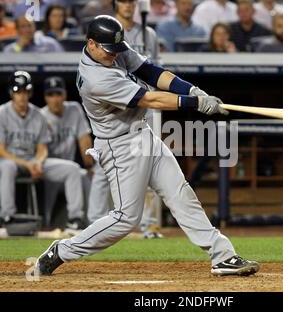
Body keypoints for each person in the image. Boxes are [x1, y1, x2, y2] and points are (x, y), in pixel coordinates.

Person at [35, 15, 260, 277]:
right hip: (120, 147)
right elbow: (150, 98)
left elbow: (150, 72)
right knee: (125, 219)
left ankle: (222, 256)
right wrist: (194, 104)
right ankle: (62, 251)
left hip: (143, 134)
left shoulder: (113, 48)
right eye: (108, 51)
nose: (113, 55)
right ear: (91, 44)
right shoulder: (95, 79)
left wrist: (192, 90)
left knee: (180, 193)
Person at [87, 0, 163, 238]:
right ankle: (93, 221)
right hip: (116, 102)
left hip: (144, 102)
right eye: (123, 0)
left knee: (151, 161)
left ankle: (149, 224)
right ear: (116, 4)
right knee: (105, 164)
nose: (128, 5)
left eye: (131, 0)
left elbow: (154, 69)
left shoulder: (147, 33)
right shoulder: (106, 30)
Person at [0, 71, 84, 232]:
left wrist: (38, 162)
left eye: (26, 91)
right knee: (7, 167)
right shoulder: (2, 113)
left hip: (33, 161)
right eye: (18, 91)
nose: (22, 96)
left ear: (30, 92)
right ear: (12, 92)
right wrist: (28, 164)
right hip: (11, 161)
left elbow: (42, 148)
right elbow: (1, 151)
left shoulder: (38, 115)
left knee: (72, 169)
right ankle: (7, 217)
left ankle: (75, 218)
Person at [41, 76, 94, 229]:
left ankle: (91, 223)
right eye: (51, 95)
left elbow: (84, 139)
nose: (55, 99)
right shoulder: (40, 116)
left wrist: (90, 167)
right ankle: (44, 225)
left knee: (88, 177)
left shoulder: (74, 109)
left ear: (64, 95)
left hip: (71, 172)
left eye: (58, 94)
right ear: (45, 97)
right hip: (48, 172)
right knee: (47, 213)